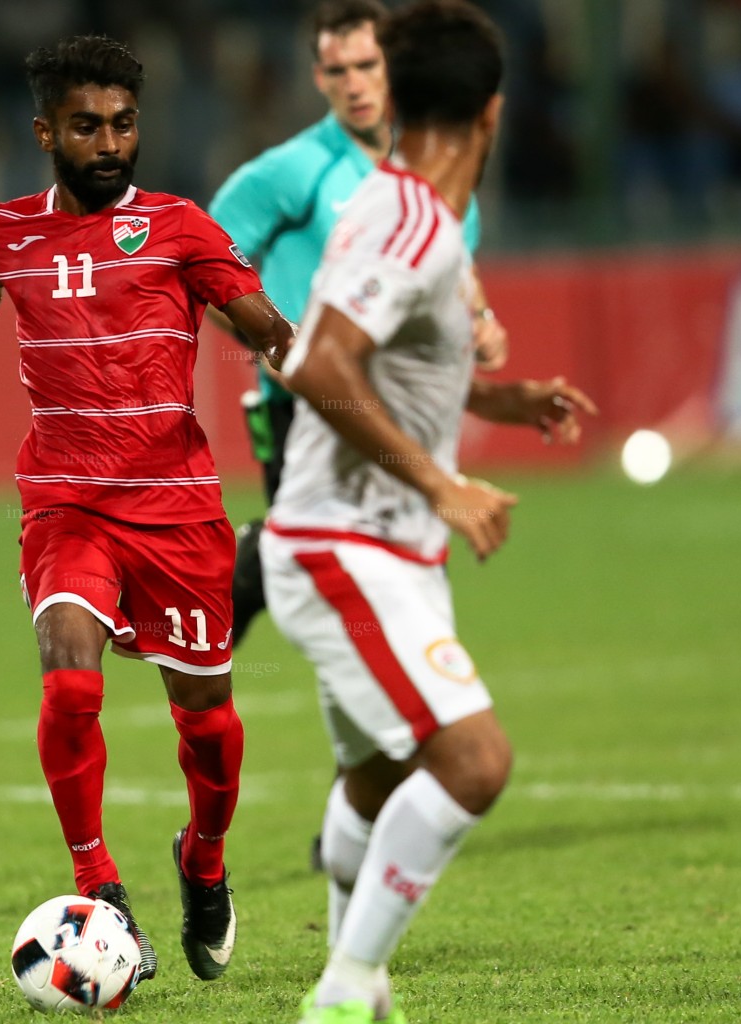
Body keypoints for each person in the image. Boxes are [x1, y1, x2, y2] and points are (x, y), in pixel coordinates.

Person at [0, 35, 295, 987]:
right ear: (46, 132)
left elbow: (258, 321)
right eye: (88, 126)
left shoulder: (180, 227)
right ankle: (99, 885)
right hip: (66, 504)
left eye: (125, 124)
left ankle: (206, 860)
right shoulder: (5, 232)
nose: (110, 142)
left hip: (178, 511)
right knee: (68, 683)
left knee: (209, 722)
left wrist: (301, 366)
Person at [258, 3, 596, 1021]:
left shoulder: (405, 214)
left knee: (375, 774)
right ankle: (347, 988)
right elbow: (322, 364)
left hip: (384, 548)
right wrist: (443, 483)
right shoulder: (411, 224)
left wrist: (504, 397)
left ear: (396, 96)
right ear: (493, 113)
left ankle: (359, 983)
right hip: (341, 543)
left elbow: (385, 366)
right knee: (474, 761)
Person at [208, 0, 506, 649]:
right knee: (333, 559)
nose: (354, 82)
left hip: (399, 401)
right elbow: (204, 264)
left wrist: (482, 322)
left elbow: (459, 277)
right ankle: (224, 585)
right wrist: (269, 339)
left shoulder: (436, 173)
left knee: (369, 561)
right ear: (317, 77)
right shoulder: (292, 170)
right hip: (309, 399)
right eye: (336, 70)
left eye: (367, 65)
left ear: (392, 69)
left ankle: (223, 600)